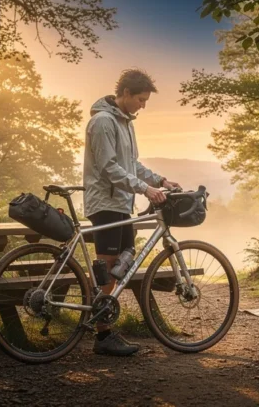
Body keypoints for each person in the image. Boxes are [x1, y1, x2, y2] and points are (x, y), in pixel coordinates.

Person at [83, 69, 180, 356]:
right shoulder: (102, 122)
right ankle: (103, 337)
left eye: (145, 100)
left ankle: (106, 327)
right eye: (140, 99)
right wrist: (144, 189)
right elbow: (109, 168)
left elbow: (132, 165)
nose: (143, 105)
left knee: (121, 266)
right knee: (109, 270)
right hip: (105, 204)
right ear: (125, 93)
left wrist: (160, 181)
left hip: (121, 204)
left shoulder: (125, 123)